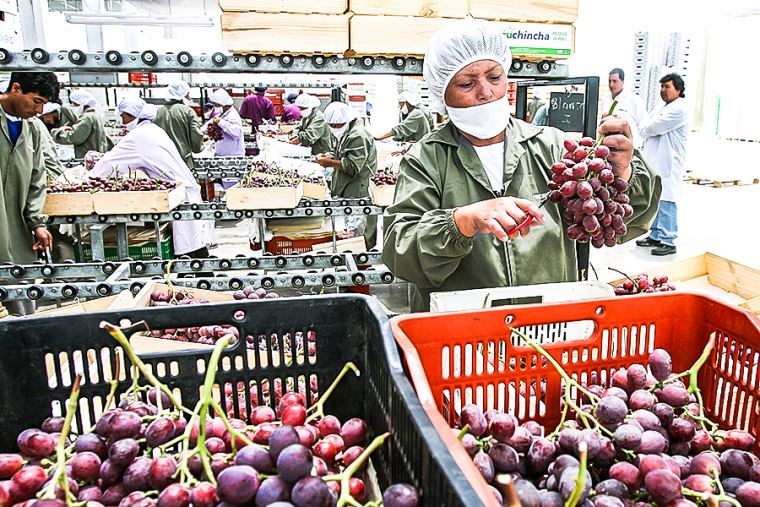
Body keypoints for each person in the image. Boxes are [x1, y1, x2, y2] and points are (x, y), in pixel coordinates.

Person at [382, 20, 661, 312]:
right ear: (443, 92)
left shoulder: (551, 146)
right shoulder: (427, 159)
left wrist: (623, 172)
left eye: (494, 77)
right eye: (467, 83)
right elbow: (402, 253)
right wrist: (462, 222)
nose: (486, 92)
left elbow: (618, 225)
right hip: (464, 336)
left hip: (549, 327)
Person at [91, 97, 207, 259]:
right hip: (182, 192)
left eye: (124, 117)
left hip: (181, 197)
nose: (123, 122)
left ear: (132, 115)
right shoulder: (153, 130)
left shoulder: (138, 136)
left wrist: (89, 177)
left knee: (190, 254)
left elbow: (110, 163)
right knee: (195, 252)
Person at [0, 72, 58, 314]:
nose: (40, 110)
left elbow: (37, 178)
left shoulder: (31, 129)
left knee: (20, 291)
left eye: (44, 104)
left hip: (16, 227)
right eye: (36, 101)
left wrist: (37, 222)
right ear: (15, 88)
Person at [636, 73, 689, 257]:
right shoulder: (663, 107)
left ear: (678, 90)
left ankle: (668, 239)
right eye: (662, 87)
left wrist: (646, 128)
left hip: (669, 163)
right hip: (656, 161)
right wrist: (646, 128)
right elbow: (644, 126)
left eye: (667, 87)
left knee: (667, 200)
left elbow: (650, 128)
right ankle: (656, 235)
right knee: (656, 198)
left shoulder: (679, 109)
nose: (663, 90)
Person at [316, 102, 378, 250]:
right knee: (349, 229)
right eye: (331, 125)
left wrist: (329, 162)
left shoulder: (358, 136)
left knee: (358, 232)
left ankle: (362, 260)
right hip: (347, 185)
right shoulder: (346, 132)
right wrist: (328, 156)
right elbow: (339, 153)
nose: (334, 129)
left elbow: (353, 166)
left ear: (346, 121)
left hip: (358, 187)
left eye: (337, 125)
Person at [154, 81, 204, 169]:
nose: (190, 97)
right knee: (186, 183)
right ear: (182, 95)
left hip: (163, 162)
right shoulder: (188, 111)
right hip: (184, 162)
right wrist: (199, 147)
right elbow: (196, 135)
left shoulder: (157, 112)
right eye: (188, 94)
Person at [51, 90, 110, 158]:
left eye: (74, 104)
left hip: (88, 158)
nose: (72, 107)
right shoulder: (94, 116)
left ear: (80, 103)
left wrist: (56, 133)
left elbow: (74, 137)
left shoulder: (86, 118)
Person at [601, 68, 646, 148]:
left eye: (615, 81)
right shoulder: (605, 100)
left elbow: (643, 125)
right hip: (610, 146)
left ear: (622, 82)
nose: (611, 85)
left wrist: (636, 146)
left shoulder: (634, 100)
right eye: (609, 81)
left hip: (629, 147)